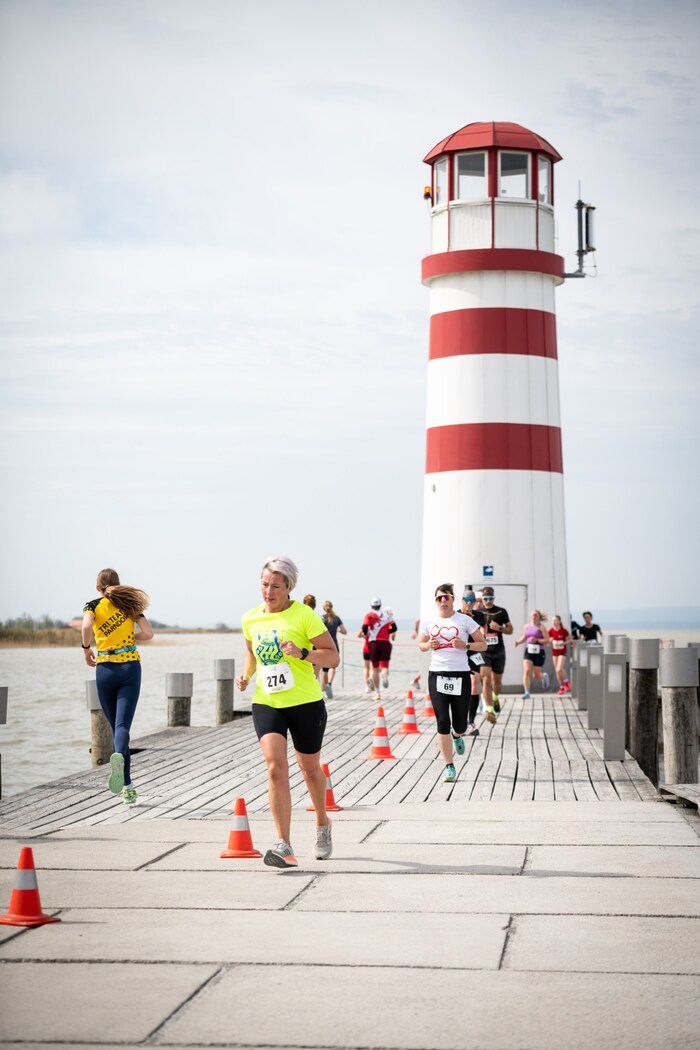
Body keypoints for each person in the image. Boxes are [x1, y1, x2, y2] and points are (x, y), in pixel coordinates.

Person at [236, 556, 339, 868]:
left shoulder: (304, 616)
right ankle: (284, 844)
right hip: (267, 701)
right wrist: (247, 675)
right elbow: (251, 652)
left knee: (309, 769)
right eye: (265, 585)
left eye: (276, 586)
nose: (269, 591)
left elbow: (332, 657)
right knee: (274, 768)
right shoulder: (251, 619)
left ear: (289, 587)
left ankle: (322, 824)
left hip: (306, 702)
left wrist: (304, 652)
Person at [81, 568, 153, 805]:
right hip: (130, 668)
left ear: (97, 588)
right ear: (119, 584)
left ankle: (128, 786)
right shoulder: (129, 604)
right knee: (122, 727)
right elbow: (149, 633)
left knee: (115, 728)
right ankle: (127, 785)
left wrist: (86, 648)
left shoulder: (92, 605)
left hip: (105, 670)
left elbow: (85, 628)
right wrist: (131, 637)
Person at [418, 583, 487, 782]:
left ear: (452, 599)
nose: (443, 601)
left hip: (460, 675)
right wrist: (427, 644)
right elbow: (421, 645)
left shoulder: (464, 620)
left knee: (459, 724)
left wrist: (465, 644)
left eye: (446, 597)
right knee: (441, 722)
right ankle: (449, 766)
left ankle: (457, 735)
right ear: (435, 601)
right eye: (439, 598)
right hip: (437, 674)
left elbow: (482, 645)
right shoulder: (429, 621)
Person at [479, 587, 513, 720]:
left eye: (490, 598)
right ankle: (490, 710)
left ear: (494, 598)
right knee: (486, 680)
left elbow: (510, 630)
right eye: (485, 599)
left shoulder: (501, 611)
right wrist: (482, 632)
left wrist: (499, 628)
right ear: (482, 599)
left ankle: (495, 697)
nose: (488, 601)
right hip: (484, 652)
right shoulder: (478, 613)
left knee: (497, 683)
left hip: (498, 651)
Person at [461, 589, 485, 736]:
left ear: (475, 602)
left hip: (474, 652)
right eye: (466, 601)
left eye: (472, 602)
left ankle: (471, 722)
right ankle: (459, 721)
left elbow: (484, 633)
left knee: (475, 684)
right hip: (459, 653)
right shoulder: (456, 614)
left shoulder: (480, 616)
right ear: (462, 601)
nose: (469, 604)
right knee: (461, 688)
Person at [361, 598, 397, 692]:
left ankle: (377, 691)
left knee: (375, 668)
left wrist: (366, 634)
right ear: (380, 605)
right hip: (385, 643)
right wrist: (386, 631)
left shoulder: (369, 615)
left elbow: (364, 627)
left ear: (371, 606)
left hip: (373, 643)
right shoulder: (387, 615)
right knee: (384, 667)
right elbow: (394, 628)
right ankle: (384, 675)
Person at [515, 609, 551, 698]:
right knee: (527, 671)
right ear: (531, 616)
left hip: (539, 651)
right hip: (529, 650)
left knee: (536, 675)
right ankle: (527, 692)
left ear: (538, 616)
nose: (534, 616)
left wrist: (537, 640)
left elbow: (547, 640)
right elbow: (524, 637)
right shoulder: (526, 626)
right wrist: (518, 642)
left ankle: (544, 677)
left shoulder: (541, 627)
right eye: (533, 614)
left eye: (536, 615)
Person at [320, 600, 347, 699]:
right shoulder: (336, 618)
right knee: (333, 666)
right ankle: (329, 684)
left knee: (324, 669)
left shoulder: (322, 618)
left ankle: (323, 689)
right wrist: (337, 629)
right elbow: (344, 631)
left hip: (323, 644)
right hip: (334, 645)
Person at [549, 614, 572, 694]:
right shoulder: (551, 631)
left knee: (559, 669)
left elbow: (570, 639)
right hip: (554, 652)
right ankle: (561, 687)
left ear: (559, 621)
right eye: (552, 620)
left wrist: (564, 643)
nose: (553, 622)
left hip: (562, 652)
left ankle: (567, 683)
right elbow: (548, 641)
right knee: (557, 671)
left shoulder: (563, 630)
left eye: (555, 620)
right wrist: (550, 641)